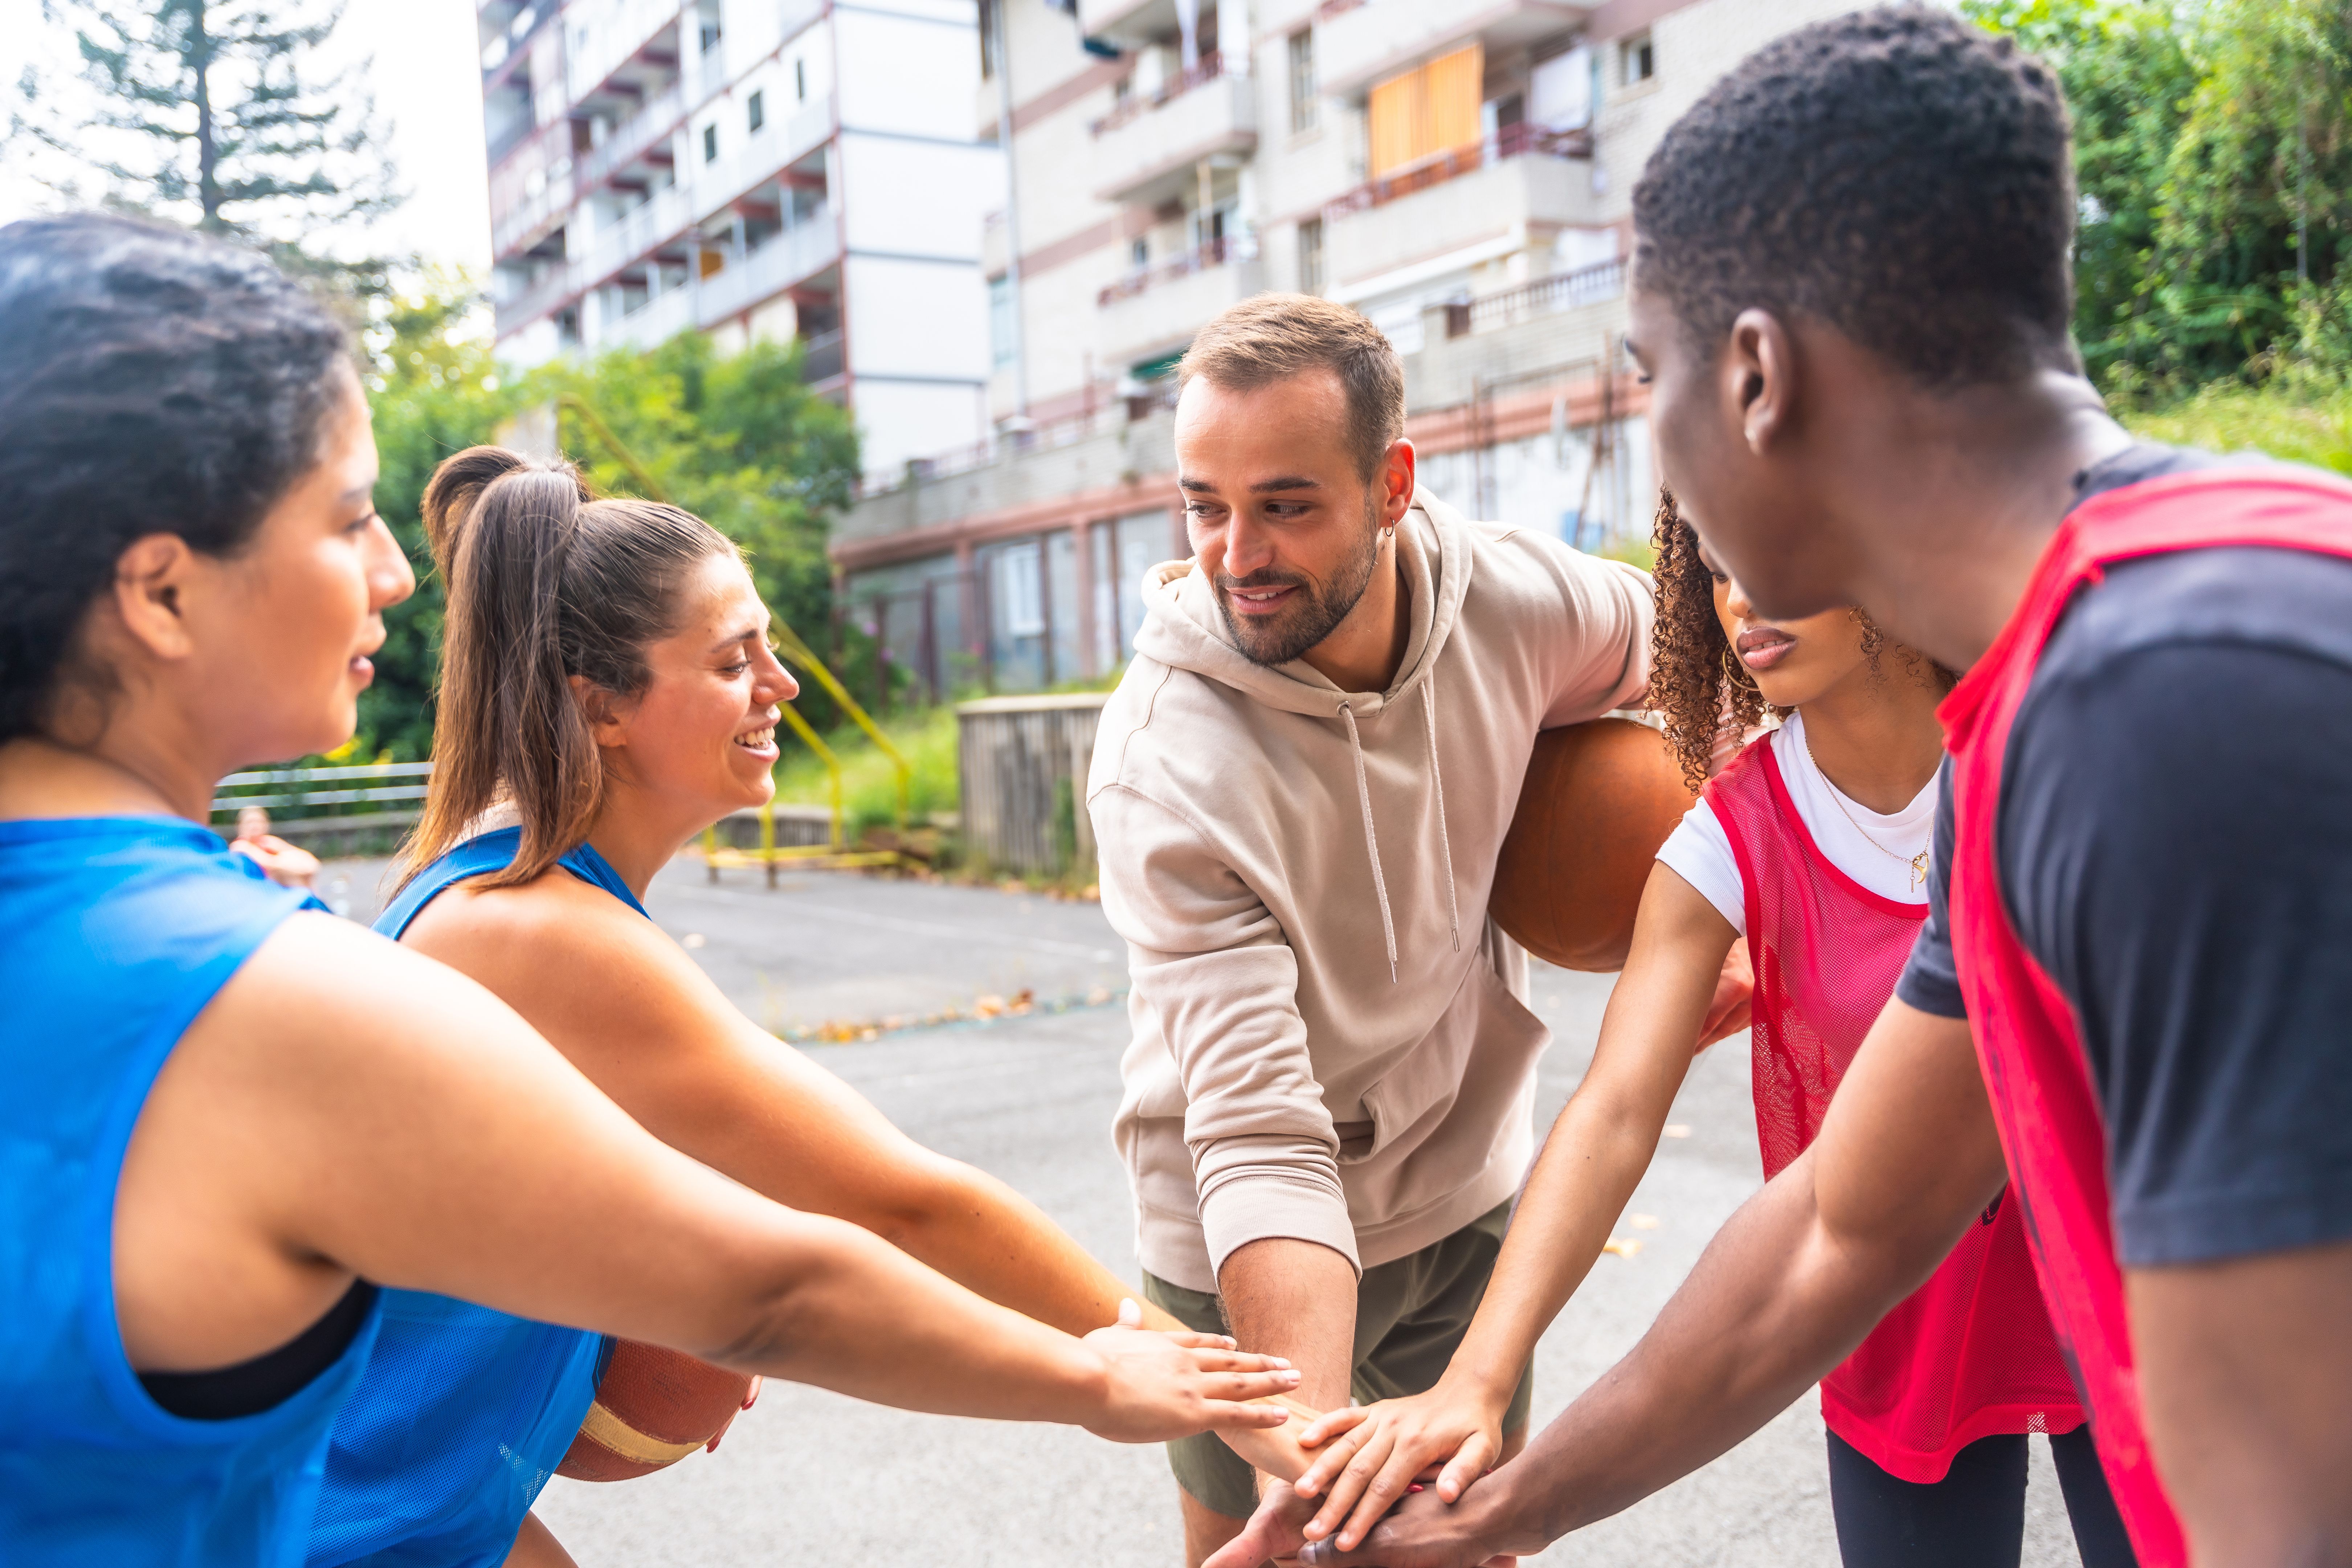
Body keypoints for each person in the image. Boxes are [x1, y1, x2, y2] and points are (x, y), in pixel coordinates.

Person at [0, 212, 1298, 1565]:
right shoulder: (301, 984)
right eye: (344, 517)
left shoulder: (215, 935)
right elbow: (800, 1264)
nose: (392, 570)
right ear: (158, 590)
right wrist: (1121, 1375)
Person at [1230, 9, 2352, 1567]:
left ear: (1754, 376)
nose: (1655, 440)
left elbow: (2284, 1494)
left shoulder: (2146, 703)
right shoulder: (2114, 655)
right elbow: (1846, 1222)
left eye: (1648, 371)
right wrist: (1491, 1507)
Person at [307, 444, 1316, 1568]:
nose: (780, 686)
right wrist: (1226, 1404)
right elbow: (898, 1207)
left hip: (408, 1508)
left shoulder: (495, 879)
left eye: (769, 648)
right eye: (737, 662)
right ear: (602, 709)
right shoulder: (539, 933)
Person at [1239, 491, 2134, 1568]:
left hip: (2129, 1271)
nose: (1743, 596)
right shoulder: (1734, 833)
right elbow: (1614, 1111)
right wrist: (1474, 1380)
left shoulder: (2049, 747)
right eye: (1716, 567)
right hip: (1893, 1306)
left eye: (1782, 551)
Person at [1087, 293, 1657, 1567]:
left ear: (1393, 483)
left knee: (1466, 1552)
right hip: (1241, 1212)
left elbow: (1690, 654)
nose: (1238, 553)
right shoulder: (1161, 766)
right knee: (1299, 1550)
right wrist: (1310, 1454)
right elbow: (1257, 1130)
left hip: (1463, 1182)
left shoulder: (1513, 598)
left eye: (1286, 504)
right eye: (1205, 505)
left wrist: (1728, 912)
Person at [230, 803, 323, 890]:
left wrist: (303, 866)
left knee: (300, 876)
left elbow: (310, 861)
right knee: (287, 875)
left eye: (259, 822)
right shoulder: (240, 846)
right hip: (254, 889)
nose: (255, 826)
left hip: (272, 888)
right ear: (240, 826)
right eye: (250, 822)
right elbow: (271, 863)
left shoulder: (269, 841)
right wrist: (299, 866)